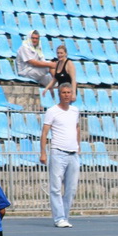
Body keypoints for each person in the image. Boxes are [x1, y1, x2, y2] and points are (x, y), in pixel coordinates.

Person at [40, 83, 80, 228]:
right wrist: (43, 152)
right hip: (58, 152)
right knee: (55, 188)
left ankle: (65, 216)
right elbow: (45, 132)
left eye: (69, 92)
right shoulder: (52, 111)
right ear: (59, 94)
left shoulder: (75, 111)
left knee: (71, 188)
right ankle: (59, 218)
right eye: (64, 92)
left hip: (73, 154)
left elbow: (77, 128)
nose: (66, 95)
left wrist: (78, 146)